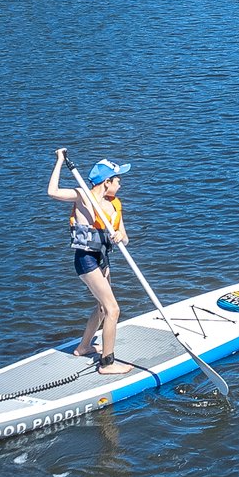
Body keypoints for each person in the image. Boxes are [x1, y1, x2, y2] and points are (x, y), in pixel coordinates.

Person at [51, 152, 136, 376]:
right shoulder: (82, 196)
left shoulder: (115, 205)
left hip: (102, 259)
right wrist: (60, 161)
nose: (120, 183)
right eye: (117, 179)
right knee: (113, 309)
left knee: (101, 308)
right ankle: (107, 364)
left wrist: (119, 235)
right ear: (106, 182)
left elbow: (125, 238)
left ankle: (83, 347)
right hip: (86, 259)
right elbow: (52, 192)